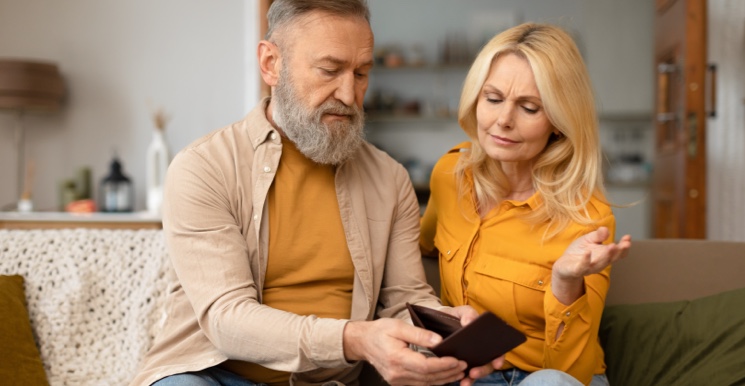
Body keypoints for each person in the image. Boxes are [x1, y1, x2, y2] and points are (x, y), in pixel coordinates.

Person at [129, 1, 501, 386]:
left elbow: (405, 299)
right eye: (329, 70)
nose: (348, 93)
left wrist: (443, 333)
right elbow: (228, 319)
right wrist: (354, 339)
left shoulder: (389, 178)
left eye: (361, 73)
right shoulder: (204, 167)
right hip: (218, 376)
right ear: (271, 64)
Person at [419, 23, 633, 386]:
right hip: (470, 372)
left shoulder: (588, 216)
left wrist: (566, 281)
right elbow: (420, 250)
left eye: (529, 107)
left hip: (548, 377)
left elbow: (570, 373)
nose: (503, 120)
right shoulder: (449, 174)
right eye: (493, 98)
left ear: (559, 122)